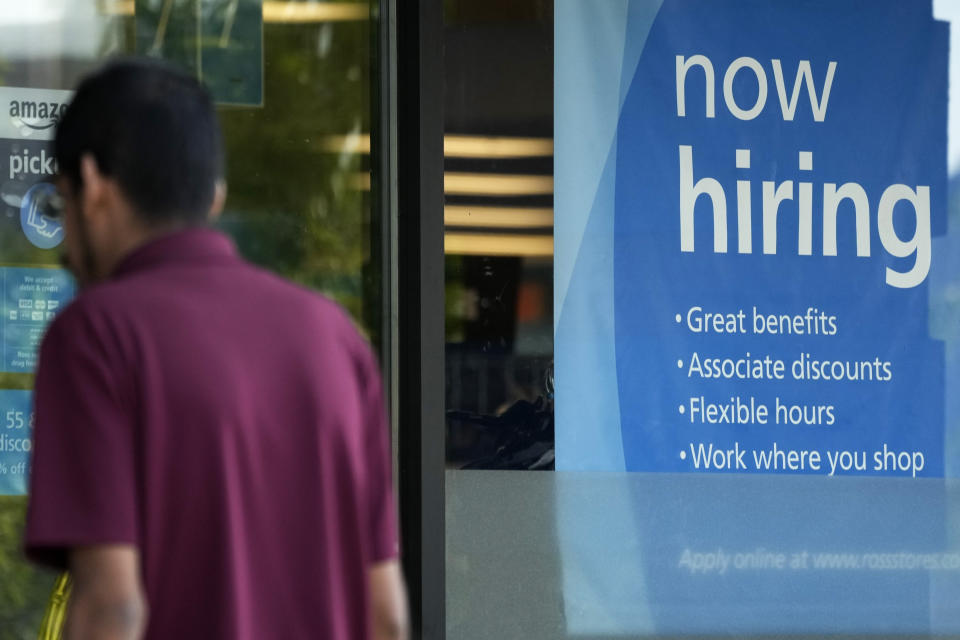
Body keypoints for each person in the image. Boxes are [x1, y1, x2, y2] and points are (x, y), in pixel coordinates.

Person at [23, 58, 408, 640]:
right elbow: (385, 615)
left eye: (62, 201)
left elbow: (112, 608)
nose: (68, 251)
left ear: (94, 186)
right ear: (216, 197)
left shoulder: (96, 334)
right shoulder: (335, 339)